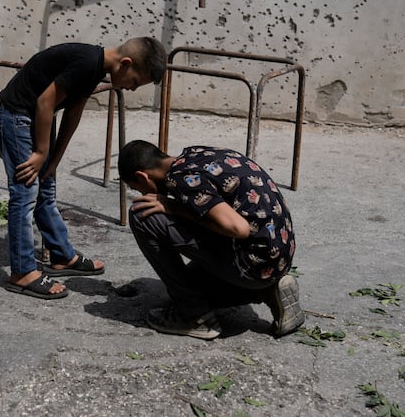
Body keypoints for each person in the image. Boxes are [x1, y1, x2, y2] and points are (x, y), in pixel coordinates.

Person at [0, 38, 167, 300]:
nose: (131, 88)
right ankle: (22, 272)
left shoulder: (94, 69)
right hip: (15, 118)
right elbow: (45, 102)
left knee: (46, 188)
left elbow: (73, 112)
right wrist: (40, 152)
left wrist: (54, 158)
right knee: (25, 194)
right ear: (125, 64)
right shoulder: (86, 63)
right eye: (134, 82)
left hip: (34, 120)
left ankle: (62, 256)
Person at [117, 140, 304, 340]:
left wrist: (175, 208)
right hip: (277, 256)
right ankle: (268, 290)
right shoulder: (196, 154)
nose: (145, 194)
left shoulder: (181, 180)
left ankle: (195, 316)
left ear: (142, 176)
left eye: (138, 189)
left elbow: (238, 228)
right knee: (190, 285)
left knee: (142, 215)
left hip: (251, 263)